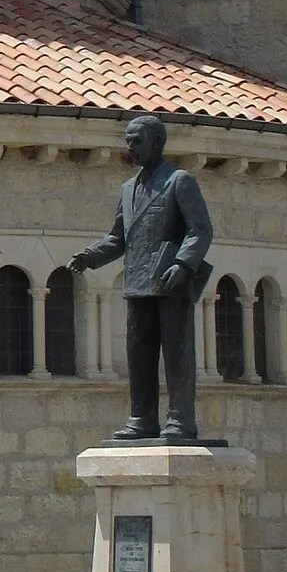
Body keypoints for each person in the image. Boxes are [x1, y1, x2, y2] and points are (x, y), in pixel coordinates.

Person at [70, 110, 213, 442]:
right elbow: (118, 238)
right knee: (139, 354)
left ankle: (181, 419)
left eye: (137, 142)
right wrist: (90, 256)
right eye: (128, 142)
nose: (130, 148)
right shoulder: (127, 189)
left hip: (171, 282)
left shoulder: (180, 181)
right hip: (138, 284)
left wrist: (182, 264)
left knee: (176, 352)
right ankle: (143, 418)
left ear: (158, 142)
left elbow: (200, 230)